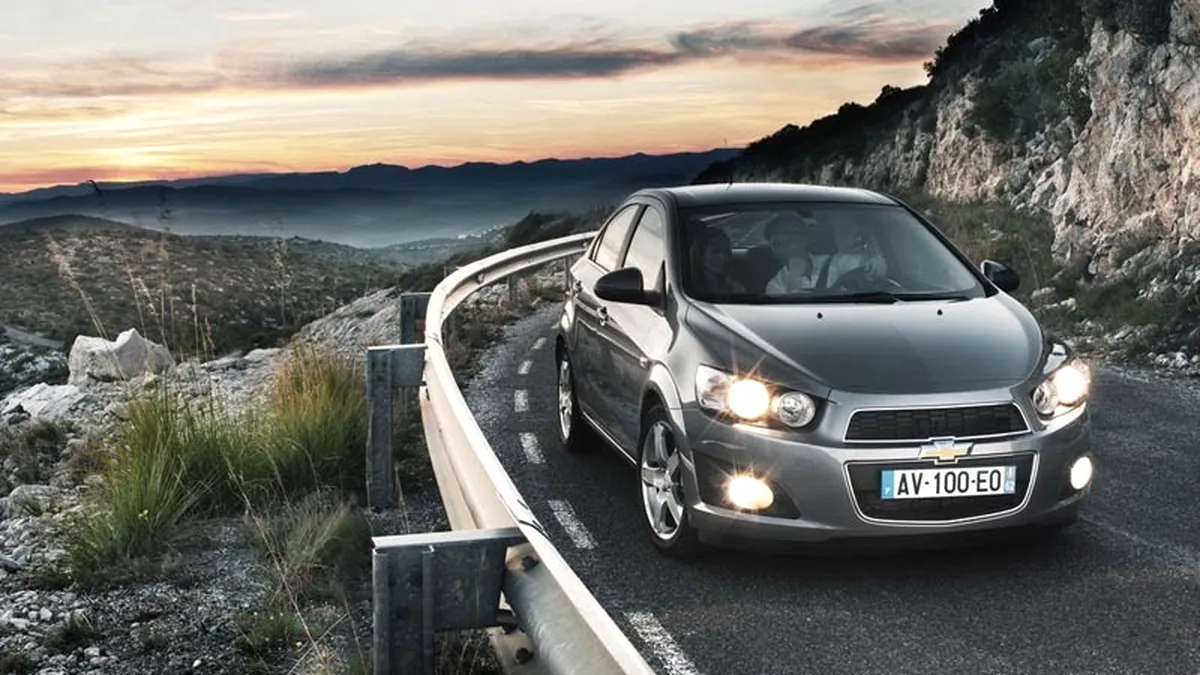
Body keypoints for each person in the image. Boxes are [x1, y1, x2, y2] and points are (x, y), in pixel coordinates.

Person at [762, 210, 886, 295]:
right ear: (774, 244)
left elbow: (867, 265)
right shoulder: (777, 286)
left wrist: (875, 262)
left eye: (797, 231)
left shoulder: (835, 262)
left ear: (806, 238)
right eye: (786, 233)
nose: (794, 237)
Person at [689, 228, 745, 296]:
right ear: (701, 255)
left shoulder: (735, 288)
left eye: (726, 252)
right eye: (715, 252)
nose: (723, 258)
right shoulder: (688, 291)